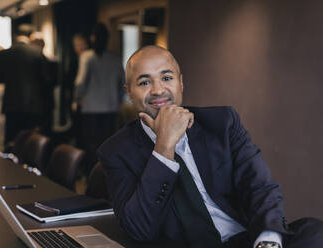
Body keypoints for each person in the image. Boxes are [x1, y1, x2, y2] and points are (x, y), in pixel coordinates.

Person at [97, 46, 323, 248]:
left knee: (314, 231)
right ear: (129, 92)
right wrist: (164, 146)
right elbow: (138, 229)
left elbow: (260, 187)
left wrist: (267, 243)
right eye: (144, 82)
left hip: (246, 239)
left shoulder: (222, 123)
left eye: (167, 78)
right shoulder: (116, 151)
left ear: (181, 83)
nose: (157, 90)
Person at [74, 23, 124, 176]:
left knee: (91, 145)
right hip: (110, 107)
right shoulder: (115, 58)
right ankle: (106, 177)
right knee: (107, 144)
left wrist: (77, 98)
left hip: (90, 108)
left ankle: (92, 177)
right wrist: (119, 100)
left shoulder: (87, 56)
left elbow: (80, 82)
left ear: (92, 38)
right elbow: (123, 83)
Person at [0, 35, 49, 145]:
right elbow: (46, 80)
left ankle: (9, 160)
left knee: (11, 138)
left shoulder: (4, 54)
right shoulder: (37, 52)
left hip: (11, 104)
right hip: (33, 104)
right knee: (31, 139)